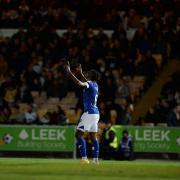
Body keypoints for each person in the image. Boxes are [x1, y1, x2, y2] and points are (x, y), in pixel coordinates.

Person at [65, 62, 100, 164]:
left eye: (88, 73)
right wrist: (80, 74)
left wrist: (70, 72)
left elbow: (80, 83)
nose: (87, 74)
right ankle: (96, 160)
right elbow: (86, 81)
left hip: (89, 113)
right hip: (96, 113)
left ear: (92, 76)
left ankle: (84, 159)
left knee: (78, 135)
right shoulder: (95, 84)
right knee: (93, 137)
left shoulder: (89, 84)